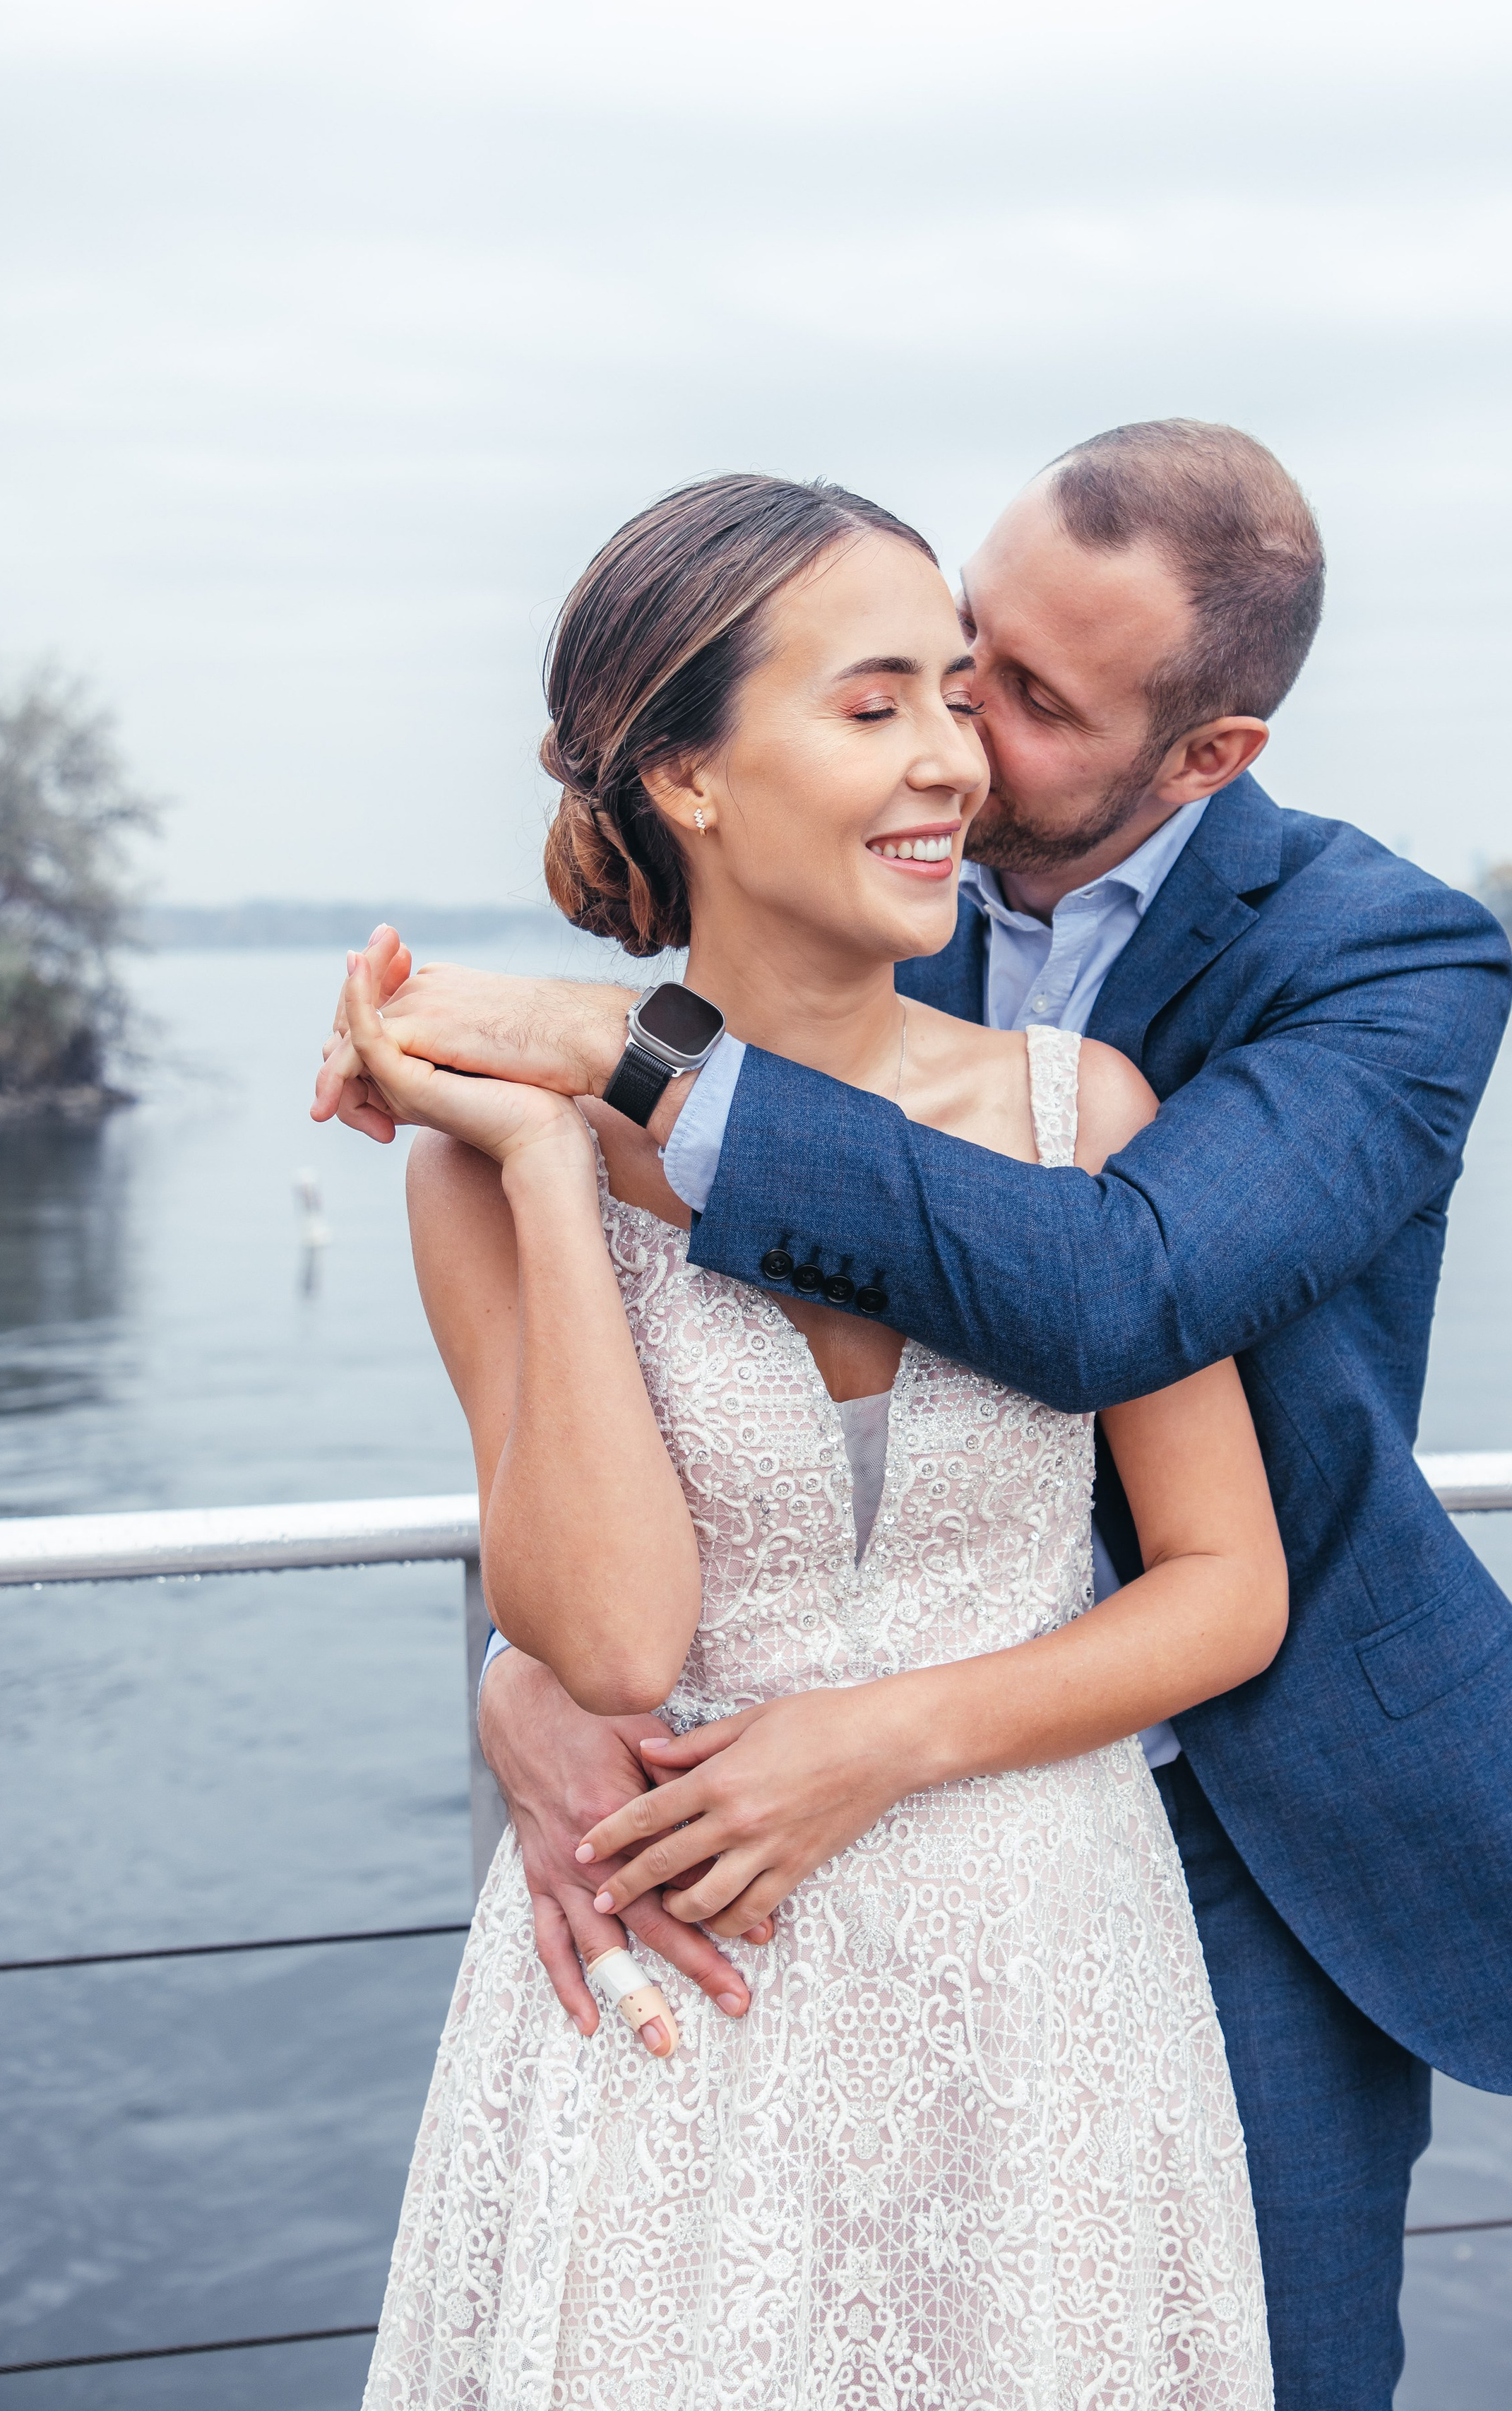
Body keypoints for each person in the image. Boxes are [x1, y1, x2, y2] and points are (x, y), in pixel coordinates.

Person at [319, 421, 1512, 2411]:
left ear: (1205, 753)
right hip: (718, 1898)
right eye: (938, 667)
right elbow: (616, 1530)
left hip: (1211, 1842)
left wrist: (621, 1049)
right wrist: (529, 1667)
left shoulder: (1375, 962)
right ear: (691, 774)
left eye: (1015, 698)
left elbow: (1116, 1289)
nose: (964, 744)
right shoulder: (728, 991)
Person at [349, 473, 1283, 2410]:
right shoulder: (480, 1164)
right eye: (875, 705)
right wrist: (546, 1169)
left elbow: (1224, 1588)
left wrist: (879, 1740)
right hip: (684, 1994)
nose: (954, 757)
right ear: (686, 776)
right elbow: (616, 1642)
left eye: (955, 692)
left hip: (1045, 1986)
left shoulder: (1084, 1115)